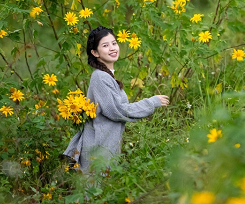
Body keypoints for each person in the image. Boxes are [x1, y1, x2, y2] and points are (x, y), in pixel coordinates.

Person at [62, 26, 169, 175]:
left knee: (102, 194)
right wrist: (151, 102)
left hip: (104, 146)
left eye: (114, 43)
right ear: (95, 52)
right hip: (97, 147)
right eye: (105, 45)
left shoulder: (107, 76)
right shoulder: (100, 77)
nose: (112, 48)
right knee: (93, 194)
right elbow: (117, 110)